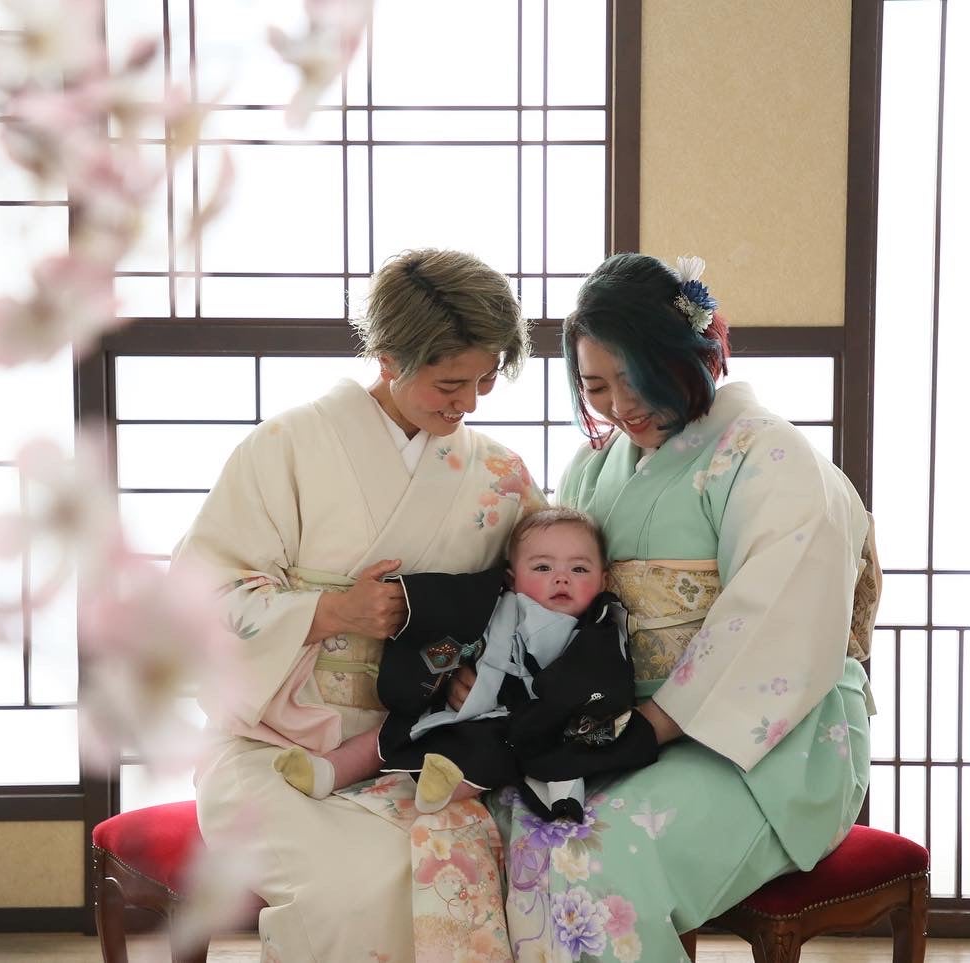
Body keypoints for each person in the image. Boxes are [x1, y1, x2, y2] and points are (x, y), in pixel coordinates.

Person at [465, 253, 881, 962]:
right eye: (596, 386)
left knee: (594, 856)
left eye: (635, 379)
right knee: (518, 827)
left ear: (686, 354)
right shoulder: (591, 471)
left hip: (765, 742)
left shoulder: (769, 455)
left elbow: (776, 616)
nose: (620, 406)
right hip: (625, 726)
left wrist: (652, 725)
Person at [174, 249, 547, 961]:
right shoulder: (286, 447)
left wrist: (489, 672)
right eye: (448, 382)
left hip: (422, 747)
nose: (466, 403)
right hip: (270, 746)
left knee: (483, 865)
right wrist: (329, 614)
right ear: (386, 357)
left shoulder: (499, 475)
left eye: (484, 381)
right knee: (358, 884)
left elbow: (537, 598)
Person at [274, 507, 659, 822]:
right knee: (393, 731)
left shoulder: (598, 630)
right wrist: (441, 670)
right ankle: (329, 769)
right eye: (542, 568)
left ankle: (440, 790)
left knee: (491, 756)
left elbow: (604, 683)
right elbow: (457, 639)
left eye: (579, 569)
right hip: (462, 704)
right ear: (512, 578)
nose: (561, 578)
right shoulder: (492, 607)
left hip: (519, 724)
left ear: (603, 578)